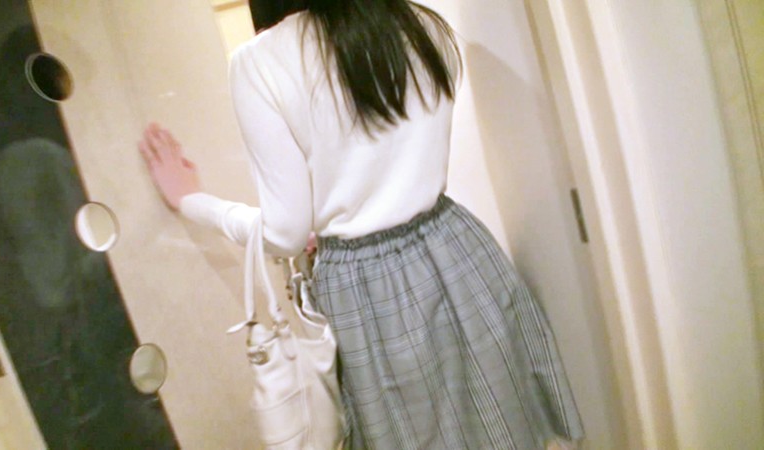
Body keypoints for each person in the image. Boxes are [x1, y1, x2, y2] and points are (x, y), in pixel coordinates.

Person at [138, 0, 584, 448]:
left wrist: (192, 200)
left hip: (367, 286)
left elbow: (283, 234)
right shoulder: (420, 22)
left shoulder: (259, 62)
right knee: (501, 410)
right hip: (457, 246)